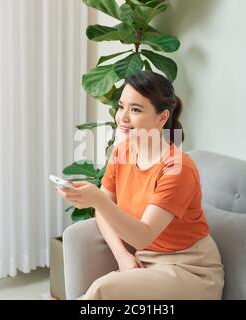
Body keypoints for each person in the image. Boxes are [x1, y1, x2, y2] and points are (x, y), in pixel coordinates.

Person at [56, 70, 224, 300]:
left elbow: (144, 236)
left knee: (102, 290)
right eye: (122, 106)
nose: (123, 117)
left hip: (190, 269)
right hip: (147, 260)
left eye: (135, 109)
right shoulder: (122, 152)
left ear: (162, 117)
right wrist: (122, 256)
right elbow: (103, 213)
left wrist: (98, 199)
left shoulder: (178, 168)